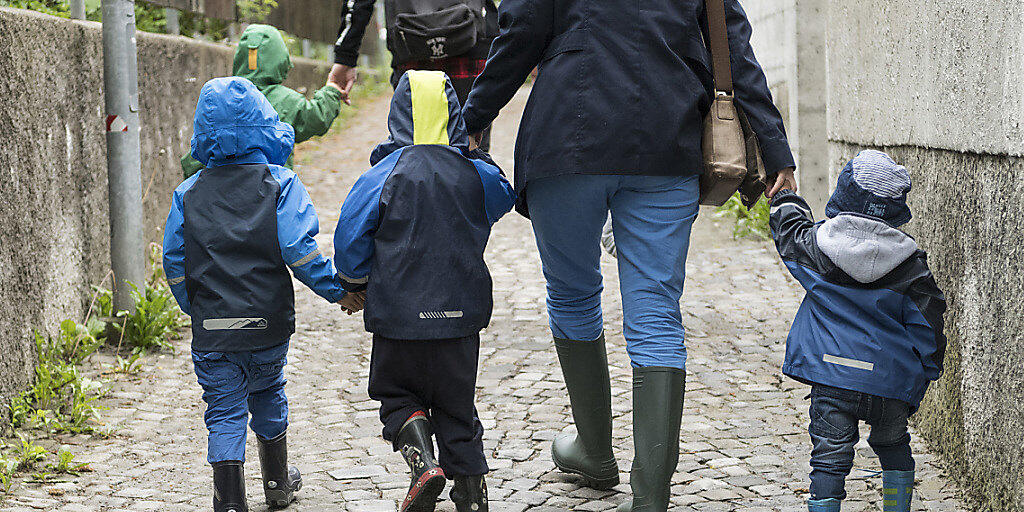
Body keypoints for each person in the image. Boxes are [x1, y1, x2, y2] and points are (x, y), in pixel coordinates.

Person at [460, 1, 797, 510]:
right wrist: (775, 151)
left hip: (566, 141)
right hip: (666, 138)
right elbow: (734, 49)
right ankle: (650, 497)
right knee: (657, 316)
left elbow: (520, 34)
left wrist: (474, 117)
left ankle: (594, 451)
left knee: (572, 297)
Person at [162, 77, 361, 512]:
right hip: (267, 323)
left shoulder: (187, 194)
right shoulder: (281, 183)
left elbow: (175, 265)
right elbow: (300, 251)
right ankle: (276, 483)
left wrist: (194, 309)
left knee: (223, 411)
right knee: (269, 391)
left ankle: (230, 501)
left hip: (213, 328)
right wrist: (338, 292)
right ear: (263, 124)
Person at [333, 70, 516, 512]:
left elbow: (349, 237)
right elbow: (504, 197)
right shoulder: (475, 175)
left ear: (396, 114)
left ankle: (423, 465)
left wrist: (354, 283)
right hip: (459, 320)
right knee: (457, 404)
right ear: (454, 114)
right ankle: (472, 494)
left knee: (397, 395)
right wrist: (474, 154)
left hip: (397, 319)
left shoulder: (381, 175)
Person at [768, 150, 947, 512]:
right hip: (889, 381)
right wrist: (928, 369)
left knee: (829, 457)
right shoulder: (911, 268)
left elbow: (789, 231)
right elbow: (929, 324)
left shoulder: (818, 249)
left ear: (843, 194)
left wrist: (785, 196)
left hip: (832, 377)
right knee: (894, 443)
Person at [328, 0, 498, 149]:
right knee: (471, 148)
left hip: (411, 42)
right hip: (471, 40)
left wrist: (346, 56)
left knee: (414, 148)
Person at [181, 24, 344, 178]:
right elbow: (316, 118)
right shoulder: (285, 99)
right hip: (270, 194)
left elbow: (197, 153)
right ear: (281, 60)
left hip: (218, 197)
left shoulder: (221, 97)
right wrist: (332, 90)